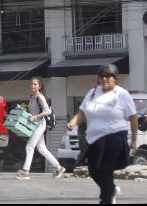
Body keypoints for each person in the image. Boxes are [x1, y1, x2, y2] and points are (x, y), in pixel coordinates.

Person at [67, 64, 138, 204]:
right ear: (98, 79)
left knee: (106, 169)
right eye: (102, 76)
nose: (105, 79)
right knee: (93, 170)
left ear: (115, 79)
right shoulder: (93, 93)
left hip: (115, 136)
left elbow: (133, 117)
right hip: (95, 138)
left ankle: (106, 199)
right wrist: (74, 121)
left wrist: (134, 140)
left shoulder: (122, 94)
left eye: (108, 76)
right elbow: (83, 112)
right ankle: (111, 189)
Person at [16, 77, 65, 180]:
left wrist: (35, 117)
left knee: (29, 147)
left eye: (35, 84)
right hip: (35, 124)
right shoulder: (31, 97)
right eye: (31, 84)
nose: (32, 86)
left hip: (40, 124)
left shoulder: (40, 97)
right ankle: (58, 167)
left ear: (39, 86)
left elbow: (47, 111)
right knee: (42, 149)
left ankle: (25, 172)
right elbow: (33, 111)